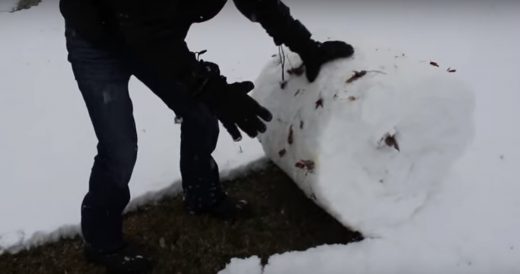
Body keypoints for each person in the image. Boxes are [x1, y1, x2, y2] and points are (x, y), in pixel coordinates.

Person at [59, 0, 354, 272]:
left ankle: (201, 195)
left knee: (200, 114)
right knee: (119, 148)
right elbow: (145, 34)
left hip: (153, 37)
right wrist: (213, 90)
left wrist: (306, 46)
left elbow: (260, 2)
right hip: (96, 41)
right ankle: (101, 242)